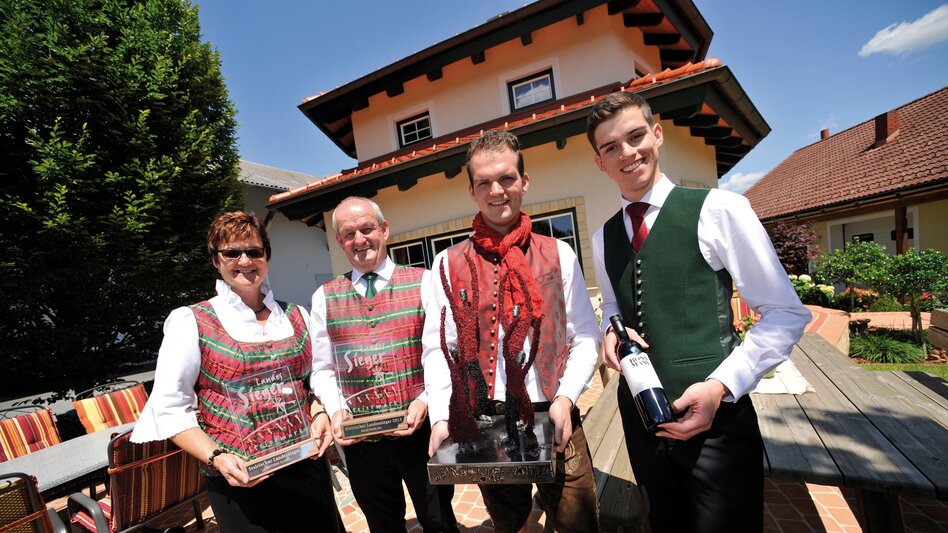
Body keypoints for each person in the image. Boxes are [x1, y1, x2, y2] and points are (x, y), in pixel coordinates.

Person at [587, 92, 811, 532]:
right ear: (600, 163)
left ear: (657, 134)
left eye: (635, 137)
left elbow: (785, 313)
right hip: (642, 424)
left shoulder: (720, 209)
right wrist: (609, 331)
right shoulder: (602, 237)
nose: (627, 153)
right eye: (610, 147)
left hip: (718, 426)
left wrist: (720, 387)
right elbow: (615, 305)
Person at [424, 130, 601, 533]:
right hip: (488, 419)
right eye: (484, 182)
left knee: (578, 522)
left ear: (524, 181)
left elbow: (585, 336)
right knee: (512, 525)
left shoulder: (560, 253)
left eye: (505, 178)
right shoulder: (446, 263)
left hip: (554, 410)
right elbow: (440, 349)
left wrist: (567, 397)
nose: (496, 191)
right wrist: (440, 418)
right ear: (472, 191)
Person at [132, 211, 340, 532]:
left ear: (267, 257)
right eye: (231, 252)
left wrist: (322, 413)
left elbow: (314, 381)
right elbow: (169, 410)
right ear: (216, 260)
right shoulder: (192, 321)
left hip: (305, 465)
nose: (245, 260)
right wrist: (216, 456)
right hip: (243, 479)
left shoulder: (296, 314)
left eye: (254, 251)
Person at [310, 197, 458, 533]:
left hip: (419, 433)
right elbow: (322, 368)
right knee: (383, 525)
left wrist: (425, 401)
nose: (359, 240)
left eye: (367, 229)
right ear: (339, 242)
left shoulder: (424, 281)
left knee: (439, 521)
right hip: (362, 443)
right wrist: (335, 410)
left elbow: (446, 352)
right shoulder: (323, 297)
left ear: (384, 229)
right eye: (349, 234)